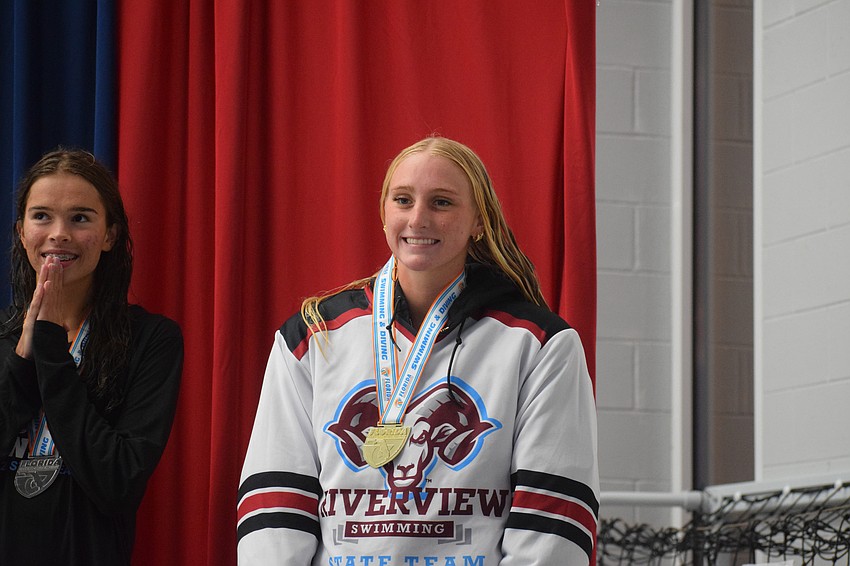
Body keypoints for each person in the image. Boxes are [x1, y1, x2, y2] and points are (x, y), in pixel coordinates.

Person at [237, 136, 598, 565]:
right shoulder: (313, 337)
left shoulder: (539, 345)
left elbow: (553, 522)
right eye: (403, 200)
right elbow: (276, 507)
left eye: (442, 203)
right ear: (384, 213)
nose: (418, 218)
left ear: (478, 221)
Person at [0, 149, 183, 565]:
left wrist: (47, 346)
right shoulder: (2, 335)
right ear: (21, 231)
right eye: (42, 216)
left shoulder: (152, 339)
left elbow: (117, 482)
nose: (59, 233)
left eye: (80, 218)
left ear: (109, 235)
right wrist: (23, 358)